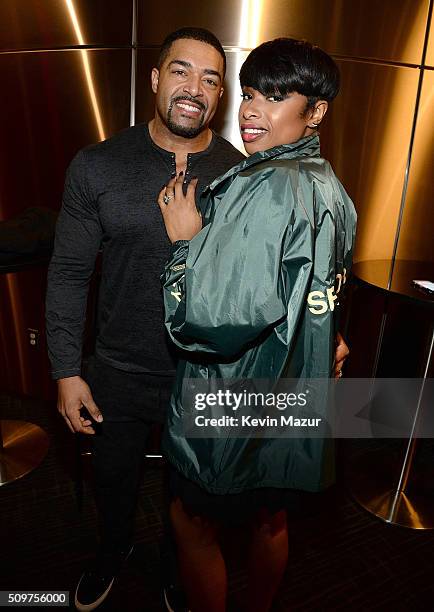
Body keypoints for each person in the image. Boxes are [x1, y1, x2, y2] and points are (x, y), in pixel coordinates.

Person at [46, 26, 349, 612]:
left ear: (220, 95)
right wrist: (65, 368)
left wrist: (329, 330)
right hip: (118, 372)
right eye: (181, 71)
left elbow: (301, 263)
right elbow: (68, 274)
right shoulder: (99, 166)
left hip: (217, 382)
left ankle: (174, 575)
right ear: (156, 79)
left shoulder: (246, 173)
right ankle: (112, 556)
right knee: (115, 483)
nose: (195, 88)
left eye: (211, 78)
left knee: (193, 508)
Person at [158, 38, 357, 612]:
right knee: (271, 518)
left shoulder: (267, 186)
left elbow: (210, 321)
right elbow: (316, 290)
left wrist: (183, 243)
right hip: (291, 393)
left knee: (190, 520)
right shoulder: (330, 186)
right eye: (247, 94)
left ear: (315, 111)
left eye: (274, 97)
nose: (250, 110)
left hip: (236, 396)